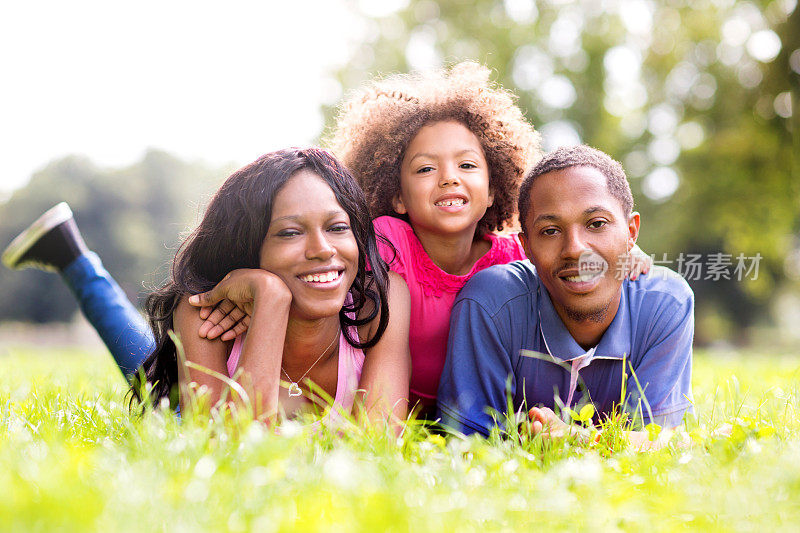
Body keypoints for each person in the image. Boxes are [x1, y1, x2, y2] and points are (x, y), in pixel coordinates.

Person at [6, 148, 412, 423]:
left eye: (338, 227)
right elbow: (230, 456)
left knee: (148, 366)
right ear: (249, 248)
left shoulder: (380, 299)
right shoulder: (203, 308)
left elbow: (379, 446)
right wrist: (270, 301)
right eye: (289, 233)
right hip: (202, 411)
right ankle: (75, 262)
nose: (323, 249)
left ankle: (69, 254)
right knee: (155, 376)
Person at [436, 145, 694, 446]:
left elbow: (658, 444)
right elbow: (466, 445)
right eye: (550, 231)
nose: (574, 248)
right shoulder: (490, 304)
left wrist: (573, 438)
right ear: (527, 245)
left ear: (631, 232)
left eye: (597, 224)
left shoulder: (665, 303)